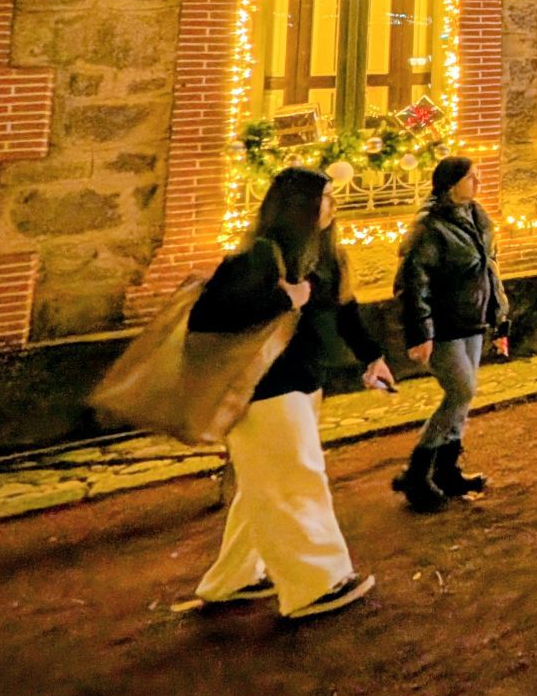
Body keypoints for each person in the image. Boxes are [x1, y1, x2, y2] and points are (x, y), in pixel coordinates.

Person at [188, 166, 388, 621]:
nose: (333, 205)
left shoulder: (327, 257)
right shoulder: (258, 257)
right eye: (325, 197)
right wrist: (284, 299)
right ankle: (315, 584)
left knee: (264, 486)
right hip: (264, 389)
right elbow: (208, 317)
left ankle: (233, 578)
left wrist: (372, 357)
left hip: (303, 382)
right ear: (300, 206)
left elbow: (345, 310)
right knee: (296, 481)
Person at [392, 155, 509, 512]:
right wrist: (421, 332)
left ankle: (446, 470)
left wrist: (499, 319)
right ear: (451, 183)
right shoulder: (429, 227)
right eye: (472, 177)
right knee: (461, 391)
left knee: (463, 398)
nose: (479, 183)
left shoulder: (478, 217)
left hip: (472, 321)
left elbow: (490, 271)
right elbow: (414, 283)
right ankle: (417, 472)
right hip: (443, 326)